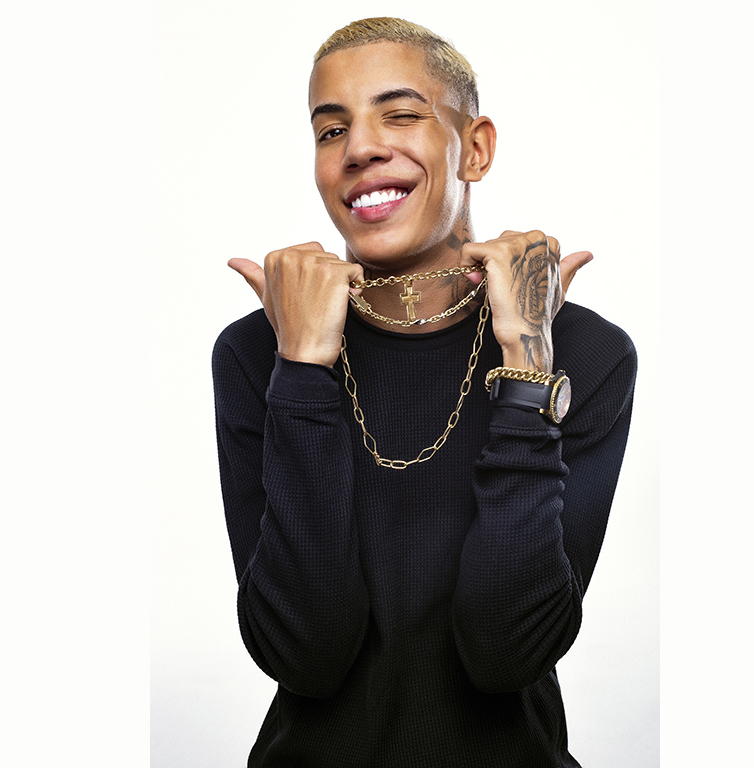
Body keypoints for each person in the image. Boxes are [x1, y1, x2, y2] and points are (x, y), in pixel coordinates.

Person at [212, 17, 637, 768]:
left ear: (475, 149)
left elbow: (505, 654)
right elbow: (305, 654)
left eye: (401, 114)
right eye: (330, 130)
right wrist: (302, 369)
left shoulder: (583, 353)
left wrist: (527, 361)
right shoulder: (257, 352)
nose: (360, 147)